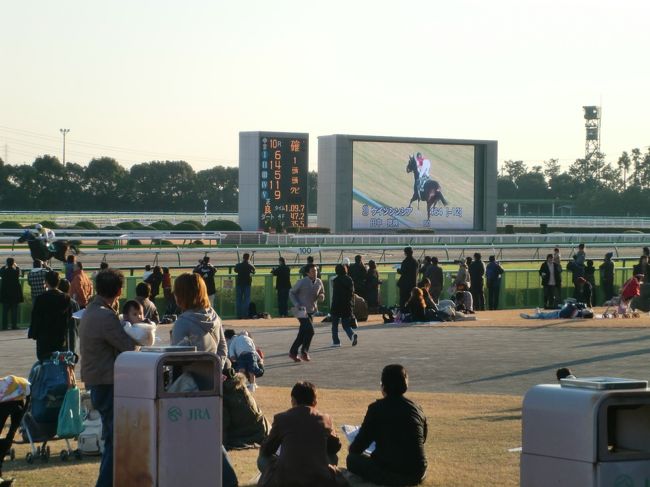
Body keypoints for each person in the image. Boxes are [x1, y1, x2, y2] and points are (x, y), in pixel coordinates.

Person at [79, 269, 138, 487]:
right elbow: (128, 346)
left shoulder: (91, 311)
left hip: (96, 379)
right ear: (120, 290)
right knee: (116, 439)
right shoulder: (106, 316)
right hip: (108, 381)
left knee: (113, 436)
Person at [347, 364, 428, 486]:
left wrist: (352, 448)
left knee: (352, 459)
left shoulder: (376, 409)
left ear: (383, 385)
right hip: (417, 472)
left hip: (391, 470)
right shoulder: (416, 408)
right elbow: (422, 439)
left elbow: (357, 447)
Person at [257, 381, 347, 487]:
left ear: (293, 400)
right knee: (333, 457)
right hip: (319, 477)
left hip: (286, 479)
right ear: (315, 401)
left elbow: (267, 449)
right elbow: (335, 448)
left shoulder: (281, 419)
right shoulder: (325, 419)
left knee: (262, 459)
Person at [170, 273, 227, 358]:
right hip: (213, 369)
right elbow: (222, 350)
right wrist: (216, 369)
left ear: (181, 295)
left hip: (189, 370)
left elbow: (175, 359)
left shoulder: (182, 322)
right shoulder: (214, 316)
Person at [222, 366, 270, 450]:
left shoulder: (227, 393)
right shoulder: (239, 386)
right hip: (262, 428)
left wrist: (221, 445)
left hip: (250, 434)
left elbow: (223, 424)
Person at [28, 271, 72, 361]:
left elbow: (36, 318)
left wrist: (33, 333)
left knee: (45, 361)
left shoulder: (41, 298)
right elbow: (69, 317)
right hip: (60, 336)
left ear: (46, 282)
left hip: (44, 338)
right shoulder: (66, 298)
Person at [288, 264, 324, 362]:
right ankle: (304, 352)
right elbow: (291, 292)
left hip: (311, 311)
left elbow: (322, 293)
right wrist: (296, 303)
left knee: (302, 333)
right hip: (301, 311)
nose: (315, 273)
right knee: (310, 331)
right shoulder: (302, 282)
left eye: (316, 271)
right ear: (307, 273)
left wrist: (321, 296)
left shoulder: (319, 282)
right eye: (313, 271)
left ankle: (293, 352)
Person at [330, 264, 358, 348]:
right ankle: (352, 335)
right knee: (346, 325)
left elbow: (335, 295)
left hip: (337, 305)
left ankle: (336, 341)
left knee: (334, 325)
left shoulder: (336, 281)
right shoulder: (350, 280)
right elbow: (352, 293)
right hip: (347, 305)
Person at [0, 258, 23, 330]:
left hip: (5, 293)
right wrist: (15, 265)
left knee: (5, 311)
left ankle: (4, 326)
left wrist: (5, 265)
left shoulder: (3, 271)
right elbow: (19, 270)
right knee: (14, 311)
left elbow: (1, 270)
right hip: (14, 294)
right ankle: (14, 325)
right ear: (13, 263)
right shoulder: (16, 271)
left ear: (7, 263)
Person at [234, 253, 256, 319]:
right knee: (247, 300)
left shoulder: (239, 265)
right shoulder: (250, 265)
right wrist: (250, 264)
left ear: (243, 257)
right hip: (247, 283)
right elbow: (254, 271)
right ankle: (245, 314)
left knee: (239, 299)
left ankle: (239, 315)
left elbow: (235, 270)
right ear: (248, 258)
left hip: (239, 283)